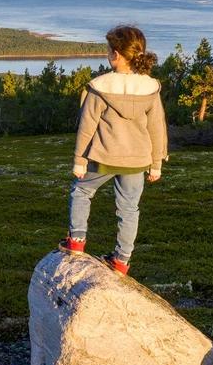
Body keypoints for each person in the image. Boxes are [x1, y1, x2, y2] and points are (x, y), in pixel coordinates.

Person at [58, 25, 167, 275]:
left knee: (82, 191)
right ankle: (121, 260)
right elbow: (157, 127)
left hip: (104, 156)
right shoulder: (150, 88)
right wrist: (156, 163)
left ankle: (76, 242)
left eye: (108, 49)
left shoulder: (100, 86)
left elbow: (86, 126)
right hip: (137, 160)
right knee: (129, 209)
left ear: (115, 54)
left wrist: (79, 160)